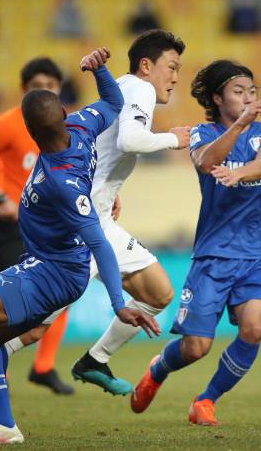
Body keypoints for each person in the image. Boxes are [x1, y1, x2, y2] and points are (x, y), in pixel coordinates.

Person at [0, 48, 160, 446]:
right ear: (62, 113)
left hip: (55, 268)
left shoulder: (65, 182)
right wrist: (101, 70)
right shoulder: (80, 126)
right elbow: (113, 101)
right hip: (45, 261)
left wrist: (117, 302)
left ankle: (3, 426)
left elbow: (99, 244)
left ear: (29, 129)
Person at [130, 59, 261, 426]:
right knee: (196, 347)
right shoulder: (201, 133)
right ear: (217, 98)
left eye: (252, 91)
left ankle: (205, 401)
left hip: (256, 256)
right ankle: (158, 369)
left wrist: (238, 172)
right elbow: (204, 162)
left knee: (255, 327)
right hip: (213, 256)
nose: (248, 98)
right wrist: (241, 124)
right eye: (238, 92)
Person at [69, 29, 189, 395]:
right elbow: (130, 140)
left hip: (98, 216)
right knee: (32, 325)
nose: (175, 77)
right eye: (171, 67)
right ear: (146, 65)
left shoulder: (121, 87)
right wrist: (174, 139)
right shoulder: (141, 89)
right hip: (81, 224)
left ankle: (95, 360)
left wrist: (109, 190)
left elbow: (103, 145)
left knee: (157, 293)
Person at [0, 57, 75, 396]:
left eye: (52, 84)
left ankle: (43, 367)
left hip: (46, 226)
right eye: (38, 84)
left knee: (61, 297)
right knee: (8, 307)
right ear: (24, 89)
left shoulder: (64, 127)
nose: (45, 89)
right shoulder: (6, 124)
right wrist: (0, 198)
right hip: (10, 226)